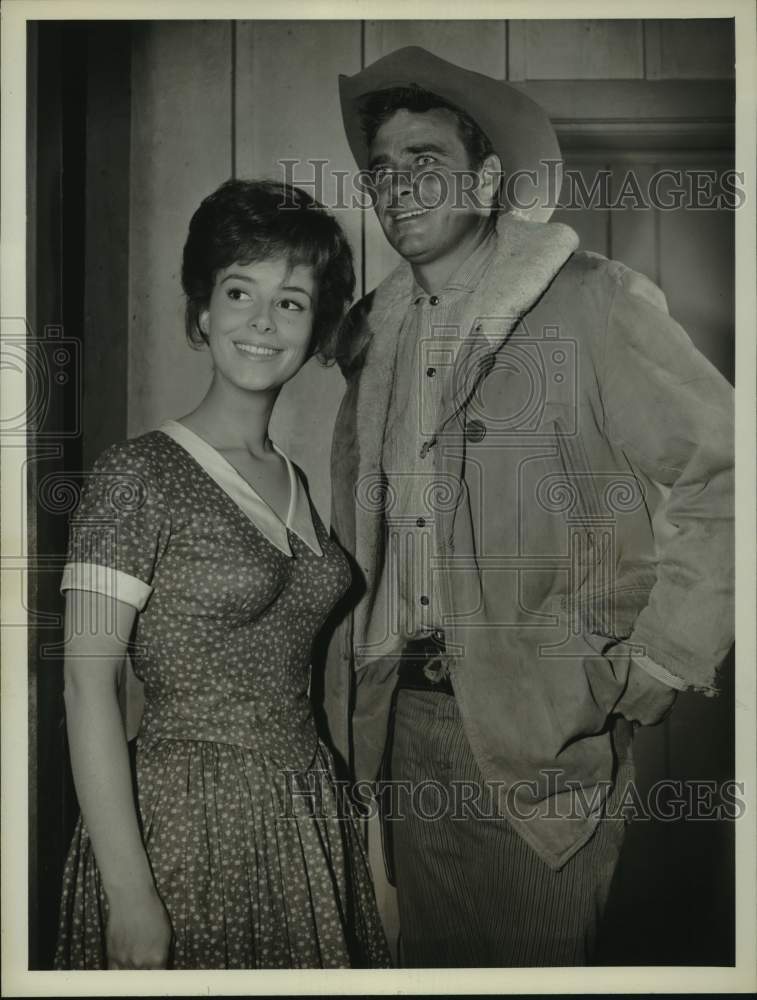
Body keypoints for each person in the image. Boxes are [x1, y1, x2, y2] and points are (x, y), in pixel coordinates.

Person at [321, 47, 735, 967]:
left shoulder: (590, 302)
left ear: (490, 177)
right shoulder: (375, 341)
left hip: (541, 738)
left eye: (425, 160)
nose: (395, 187)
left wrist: (663, 659)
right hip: (399, 735)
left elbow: (730, 472)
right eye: (381, 169)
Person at [54, 179, 390, 970]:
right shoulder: (134, 475)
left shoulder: (297, 480)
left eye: (292, 302)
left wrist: (368, 845)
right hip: (183, 821)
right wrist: (131, 895)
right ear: (202, 311)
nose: (262, 322)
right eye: (240, 291)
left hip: (308, 812)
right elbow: (85, 685)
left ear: (315, 333)